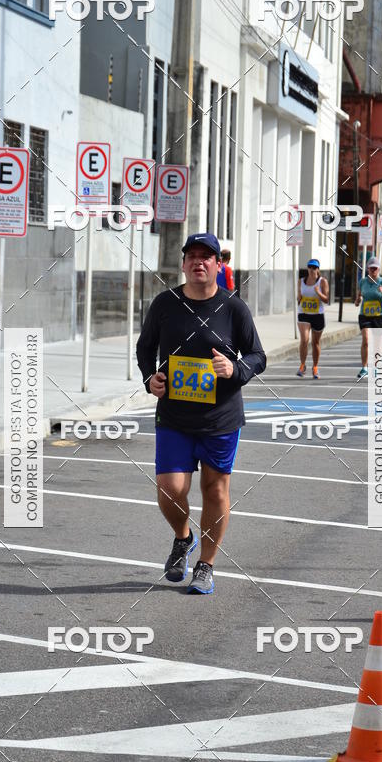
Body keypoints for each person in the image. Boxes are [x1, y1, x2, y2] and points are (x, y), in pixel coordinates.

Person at [136, 232, 266, 595]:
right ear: (183, 264)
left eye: (206, 257)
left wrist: (235, 370)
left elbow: (258, 356)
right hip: (175, 415)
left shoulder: (234, 307)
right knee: (170, 488)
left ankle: (206, 565)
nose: (199, 262)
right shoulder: (165, 303)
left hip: (220, 417)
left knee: (215, 490)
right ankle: (183, 537)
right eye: (192, 256)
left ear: (217, 265)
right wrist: (150, 379)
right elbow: (144, 348)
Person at [353, 256, 382, 379]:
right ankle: (364, 368)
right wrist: (357, 300)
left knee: (377, 344)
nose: (373, 271)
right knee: (366, 340)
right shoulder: (362, 282)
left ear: (379, 269)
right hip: (365, 315)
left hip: (379, 316)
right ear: (367, 269)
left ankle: (376, 368)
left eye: (375, 269)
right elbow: (357, 299)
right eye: (371, 269)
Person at [295, 259, 329, 379]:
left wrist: (318, 293)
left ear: (318, 269)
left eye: (314, 267)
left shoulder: (322, 281)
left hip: (317, 315)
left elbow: (326, 300)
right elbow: (298, 297)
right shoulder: (301, 281)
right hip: (303, 313)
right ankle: (302, 365)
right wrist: (298, 297)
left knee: (315, 343)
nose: (311, 269)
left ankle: (315, 367)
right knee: (304, 339)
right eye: (310, 267)